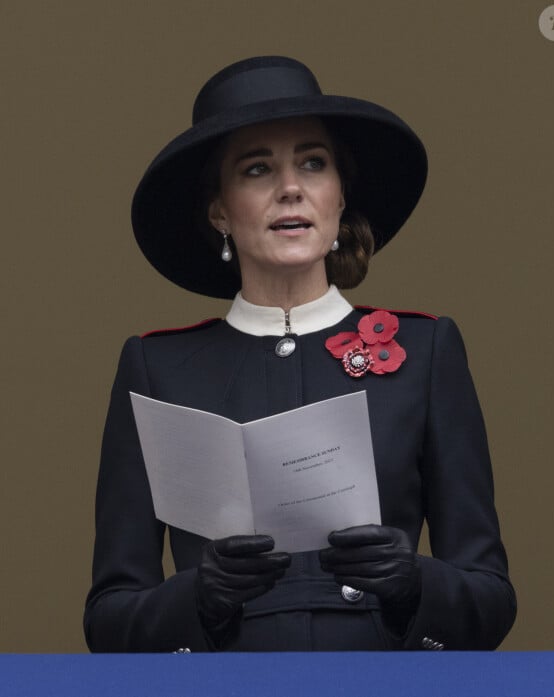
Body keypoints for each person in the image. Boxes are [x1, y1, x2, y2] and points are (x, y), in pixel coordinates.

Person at [84, 56, 516, 652]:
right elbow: (109, 617)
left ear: (339, 197)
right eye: (257, 169)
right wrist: (198, 597)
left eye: (313, 163)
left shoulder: (425, 350)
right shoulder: (158, 368)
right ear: (219, 212)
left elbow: (490, 598)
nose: (291, 187)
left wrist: (415, 583)